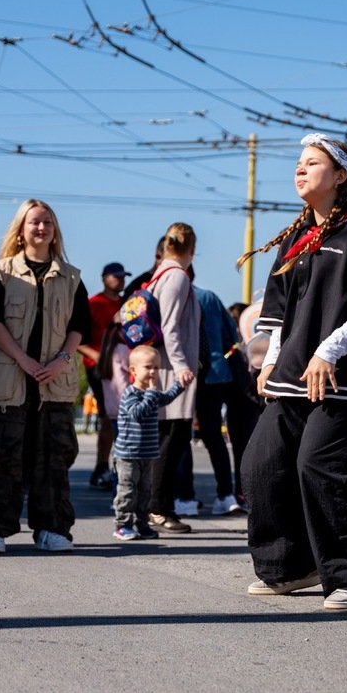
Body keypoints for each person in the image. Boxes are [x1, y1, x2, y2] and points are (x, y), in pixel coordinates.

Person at [238, 133, 347, 611]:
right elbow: (278, 315)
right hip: (292, 380)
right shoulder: (295, 241)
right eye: (298, 163)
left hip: (346, 382)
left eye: (312, 163)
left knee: (320, 466)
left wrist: (327, 352)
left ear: (341, 176)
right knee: (259, 465)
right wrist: (267, 363)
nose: (300, 170)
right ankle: (289, 567)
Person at [0, 198, 91, 554]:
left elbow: (79, 326)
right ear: (21, 231)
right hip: (8, 381)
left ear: (55, 232)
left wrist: (62, 359)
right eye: (34, 223)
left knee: (54, 458)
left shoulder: (72, 277)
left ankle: (52, 529)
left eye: (48, 223)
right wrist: (23, 359)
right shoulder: (1, 271)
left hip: (54, 383)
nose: (41, 228)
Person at [145, 222, 200, 534]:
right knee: (170, 442)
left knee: (165, 440)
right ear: (191, 249)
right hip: (171, 372)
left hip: (161, 368)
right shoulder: (177, 276)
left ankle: (155, 505)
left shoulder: (159, 274)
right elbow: (171, 327)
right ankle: (159, 508)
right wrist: (181, 366)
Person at [194, 285, 258, 515]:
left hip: (203, 374)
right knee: (239, 439)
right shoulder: (209, 296)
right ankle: (238, 493)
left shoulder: (193, 295)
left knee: (213, 437)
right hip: (227, 374)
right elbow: (231, 332)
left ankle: (214, 494)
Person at [113, 345, 185, 541]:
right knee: (128, 490)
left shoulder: (152, 394)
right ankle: (123, 525)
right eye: (148, 367)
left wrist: (180, 384)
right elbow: (137, 414)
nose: (153, 372)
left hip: (147, 453)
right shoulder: (130, 394)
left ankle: (142, 523)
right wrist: (151, 394)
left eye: (156, 368)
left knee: (145, 492)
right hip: (128, 454)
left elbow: (167, 398)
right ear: (134, 370)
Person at [79, 262, 129, 490]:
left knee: (123, 417)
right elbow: (78, 339)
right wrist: (97, 357)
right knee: (109, 417)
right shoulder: (94, 304)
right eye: (116, 276)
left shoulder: (127, 304)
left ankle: (120, 467)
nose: (120, 280)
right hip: (99, 368)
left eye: (123, 277)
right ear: (104, 278)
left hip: (123, 367)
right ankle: (101, 467)